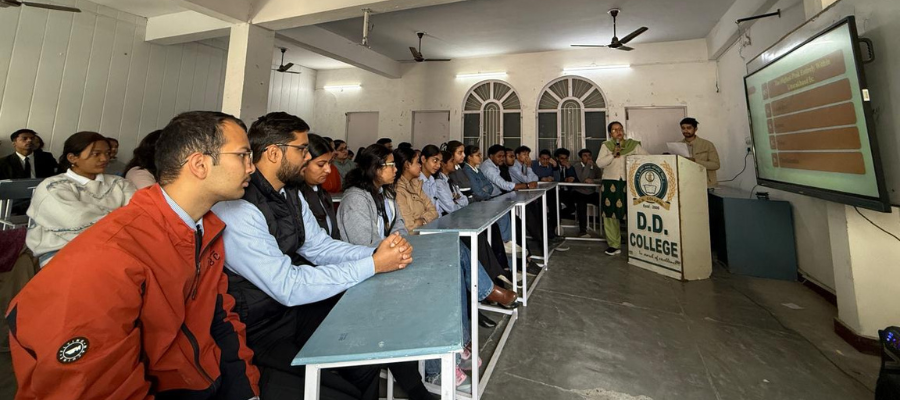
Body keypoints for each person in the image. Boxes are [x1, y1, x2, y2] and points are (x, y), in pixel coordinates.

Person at [6, 111, 261, 399]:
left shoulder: (204, 229)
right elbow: (93, 386)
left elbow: (221, 319)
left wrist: (246, 392)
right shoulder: (107, 257)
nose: (251, 167)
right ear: (199, 164)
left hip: (202, 380)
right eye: (243, 155)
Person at [211, 112, 427, 400]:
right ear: (274, 153)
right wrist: (372, 264)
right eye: (302, 149)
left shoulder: (290, 193)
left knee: (371, 331)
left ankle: (416, 391)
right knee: (340, 393)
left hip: (292, 311)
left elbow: (320, 247)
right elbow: (288, 286)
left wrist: (378, 253)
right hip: (261, 327)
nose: (306, 157)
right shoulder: (239, 208)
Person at [26, 132, 137, 266]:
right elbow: (76, 220)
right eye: (96, 154)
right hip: (63, 251)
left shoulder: (120, 183)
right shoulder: (53, 186)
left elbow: (139, 214)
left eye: (107, 153)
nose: (104, 159)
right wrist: (122, 219)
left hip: (119, 248)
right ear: (72, 158)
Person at [596, 121, 649, 255]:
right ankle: (614, 245)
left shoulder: (633, 145)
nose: (618, 132)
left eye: (620, 129)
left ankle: (637, 245)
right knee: (610, 214)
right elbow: (599, 163)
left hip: (629, 183)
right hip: (610, 183)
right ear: (610, 133)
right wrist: (612, 154)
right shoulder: (606, 146)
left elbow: (648, 158)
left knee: (633, 213)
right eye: (614, 130)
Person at [300, 134, 341, 240]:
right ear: (303, 163)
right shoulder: (295, 198)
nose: (328, 170)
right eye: (321, 165)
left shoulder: (324, 195)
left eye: (330, 163)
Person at [394, 147, 438, 231]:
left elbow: (434, 211)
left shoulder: (416, 184)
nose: (420, 165)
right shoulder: (399, 190)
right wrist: (425, 218)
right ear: (407, 165)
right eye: (417, 162)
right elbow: (410, 226)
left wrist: (422, 221)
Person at [680, 117, 720, 188]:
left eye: (689, 128)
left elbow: (716, 165)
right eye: (683, 128)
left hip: (706, 184)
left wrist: (695, 161)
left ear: (695, 129)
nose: (685, 130)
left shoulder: (707, 144)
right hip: (686, 184)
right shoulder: (678, 145)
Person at [573, 149, 602, 237]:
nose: (588, 157)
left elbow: (601, 179)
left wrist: (593, 181)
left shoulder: (595, 167)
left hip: (591, 192)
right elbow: (582, 179)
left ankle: (604, 226)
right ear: (581, 158)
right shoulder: (577, 166)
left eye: (589, 155)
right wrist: (588, 166)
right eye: (585, 156)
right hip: (579, 192)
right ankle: (582, 231)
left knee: (603, 201)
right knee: (581, 205)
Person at [555, 148, 578, 219]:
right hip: (556, 191)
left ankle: (556, 216)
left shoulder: (570, 167)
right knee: (556, 206)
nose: (564, 160)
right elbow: (555, 178)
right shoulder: (554, 167)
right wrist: (564, 180)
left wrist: (569, 168)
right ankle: (555, 218)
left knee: (572, 208)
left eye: (566, 158)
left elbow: (574, 179)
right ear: (557, 158)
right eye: (562, 158)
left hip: (566, 191)